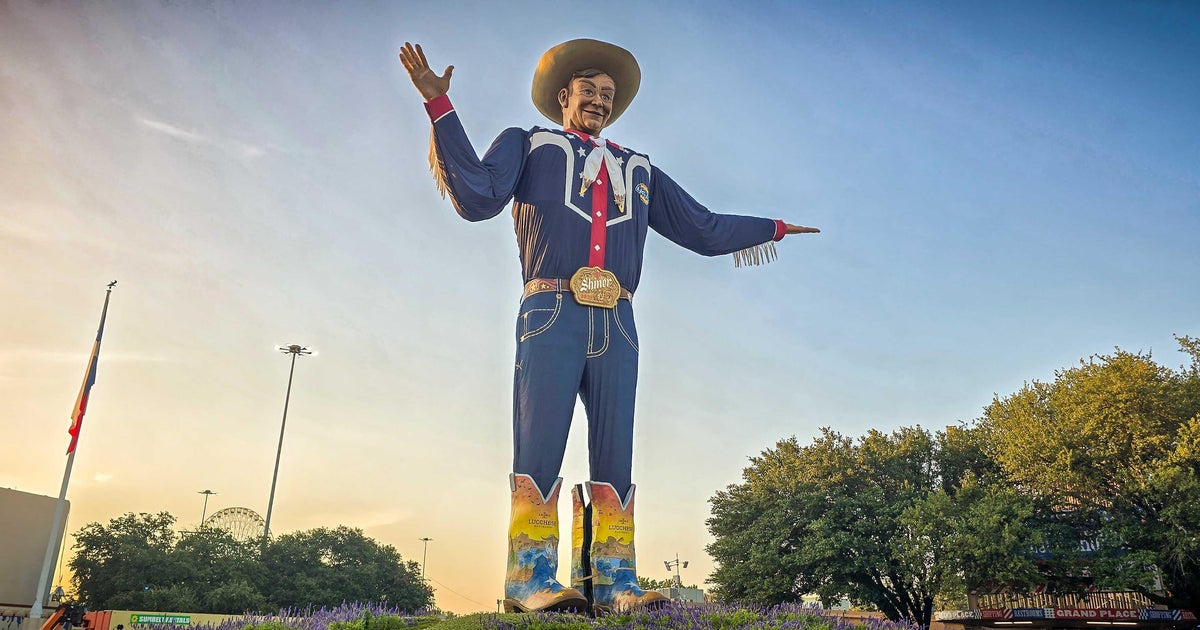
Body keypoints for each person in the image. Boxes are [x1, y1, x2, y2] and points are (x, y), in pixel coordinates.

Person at [399, 39, 819, 614]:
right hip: (551, 309)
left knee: (615, 447)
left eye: (608, 95)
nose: (599, 101)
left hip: (618, 317)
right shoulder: (528, 144)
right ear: (563, 95)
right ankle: (529, 579)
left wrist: (770, 228)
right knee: (540, 439)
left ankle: (612, 582)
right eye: (589, 90)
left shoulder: (638, 169)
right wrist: (440, 107)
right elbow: (478, 195)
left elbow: (703, 227)